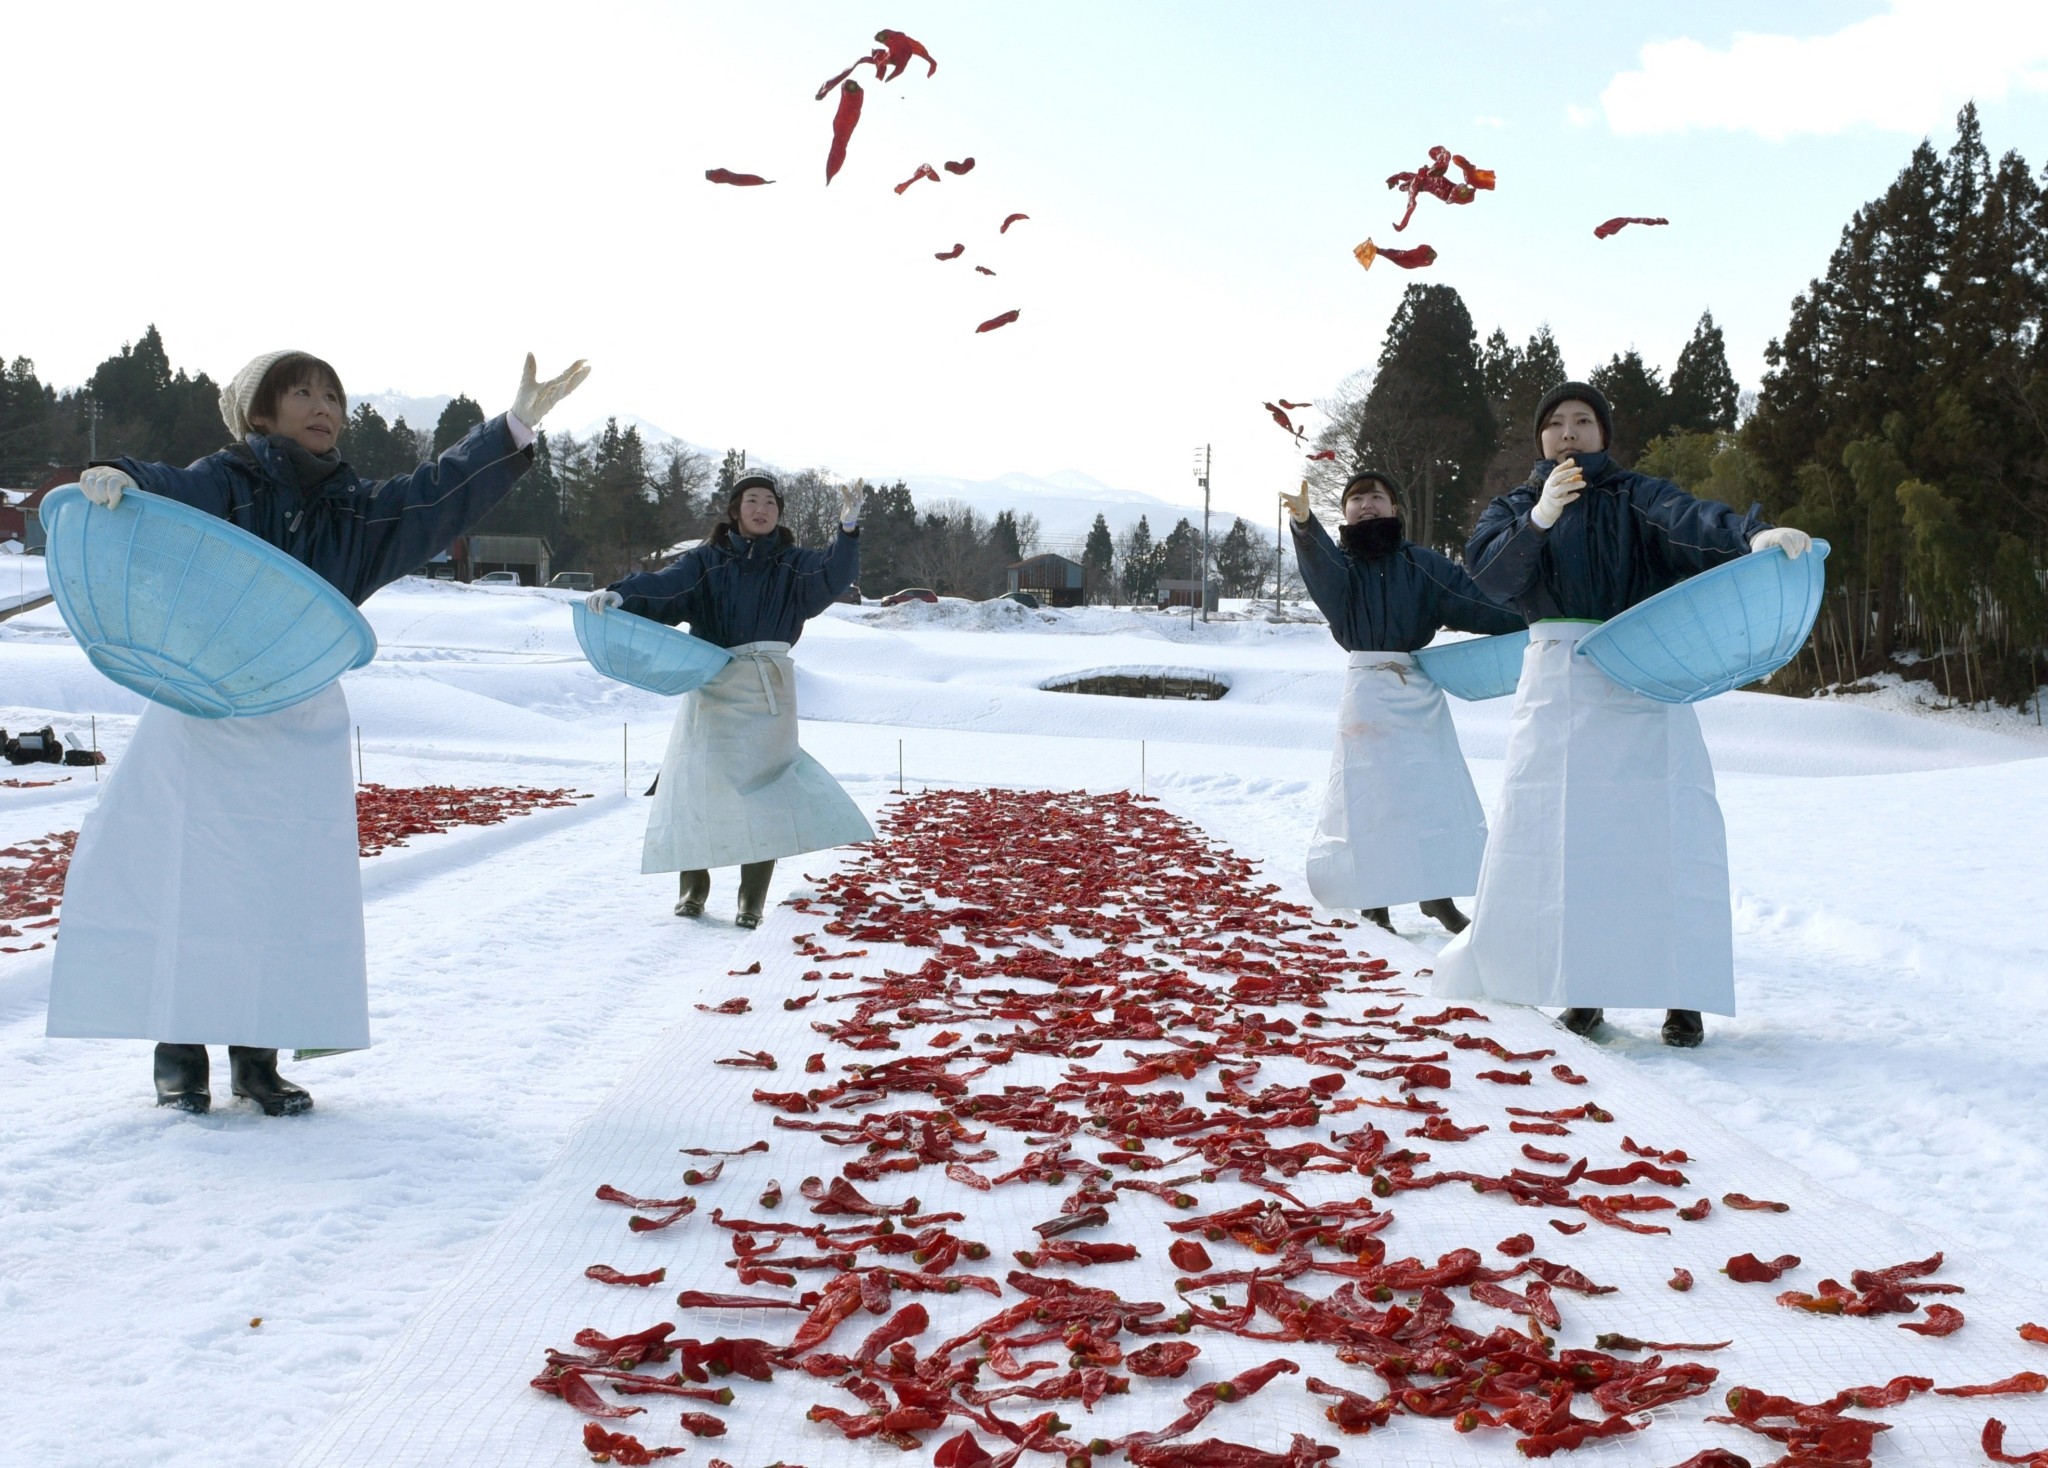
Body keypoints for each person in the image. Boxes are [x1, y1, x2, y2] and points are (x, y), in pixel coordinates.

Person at [45, 349, 589, 1114]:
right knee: (187, 875)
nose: (322, 404)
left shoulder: (360, 511)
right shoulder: (229, 481)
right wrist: (119, 476)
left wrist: (512, 428)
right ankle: (179, 1047)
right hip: (205, 703)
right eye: (300, 392)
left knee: (283, 887)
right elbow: (170, 489)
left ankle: (258, 1054)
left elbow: (440, 496)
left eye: (332, 393)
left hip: (298, 707)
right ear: (260, 414)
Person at [1433, 382, 1810, 1047]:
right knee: (1565, 842)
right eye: (1556, 423)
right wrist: (1539, 520)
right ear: (1540, 438)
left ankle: (1682, 995)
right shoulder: (1514, 506)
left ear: (1604, 434)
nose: (1569, 432)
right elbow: (1489, 580)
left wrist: (1751, 534)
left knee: (1665, 834)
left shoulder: (1635, 496)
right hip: (1554, 679)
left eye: (1583, 421)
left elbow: (1691, 521)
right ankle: (1584, 989)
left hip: (1641, 669)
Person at [587, 471, 872, 928]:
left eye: (771, 504)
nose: (762, 510)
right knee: (694, 786)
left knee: (766, 791)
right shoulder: (706, 562)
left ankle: (751, 900)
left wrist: (848, 531)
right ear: (735, 510)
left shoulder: (794, 564)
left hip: (768, 689)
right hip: (713, 683)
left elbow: (833, 574)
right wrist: (622, 594)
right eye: (753, 501)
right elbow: (666, 586)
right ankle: (693, 889)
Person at [1285, 471, 1524, 935]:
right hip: (1367, 694)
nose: (1367, 504)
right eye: (1356, 498)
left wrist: (1533, 616)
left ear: (1395, 509)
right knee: (1371, 801)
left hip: (1416, 689)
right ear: (1346, 511)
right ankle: (1375, 901)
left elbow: (1473, 602)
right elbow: (1323, 577)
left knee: (1429, 796)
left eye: (1376, 496)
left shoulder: (1422, 565)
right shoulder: (1341, 567)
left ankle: (1436, 896)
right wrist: (1305, 525)